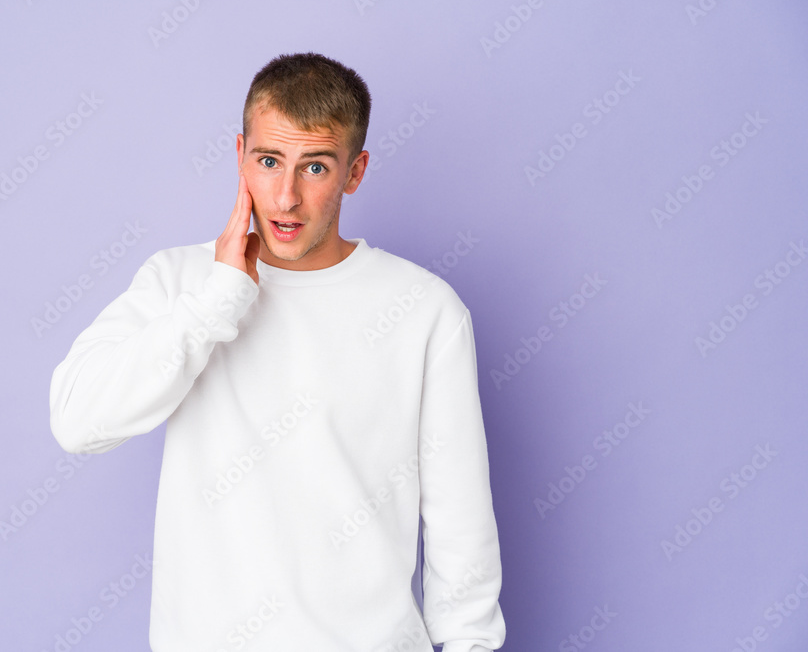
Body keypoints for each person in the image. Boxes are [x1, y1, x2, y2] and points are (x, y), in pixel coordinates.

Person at [49, 51, 505, 652]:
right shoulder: (180, 282)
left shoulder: (424, 309)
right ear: (240, 155)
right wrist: (219, 300)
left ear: (355, 171)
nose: (286, 197)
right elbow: (78, 420)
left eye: (315, 167)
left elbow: (459, 521)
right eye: (269, 161)